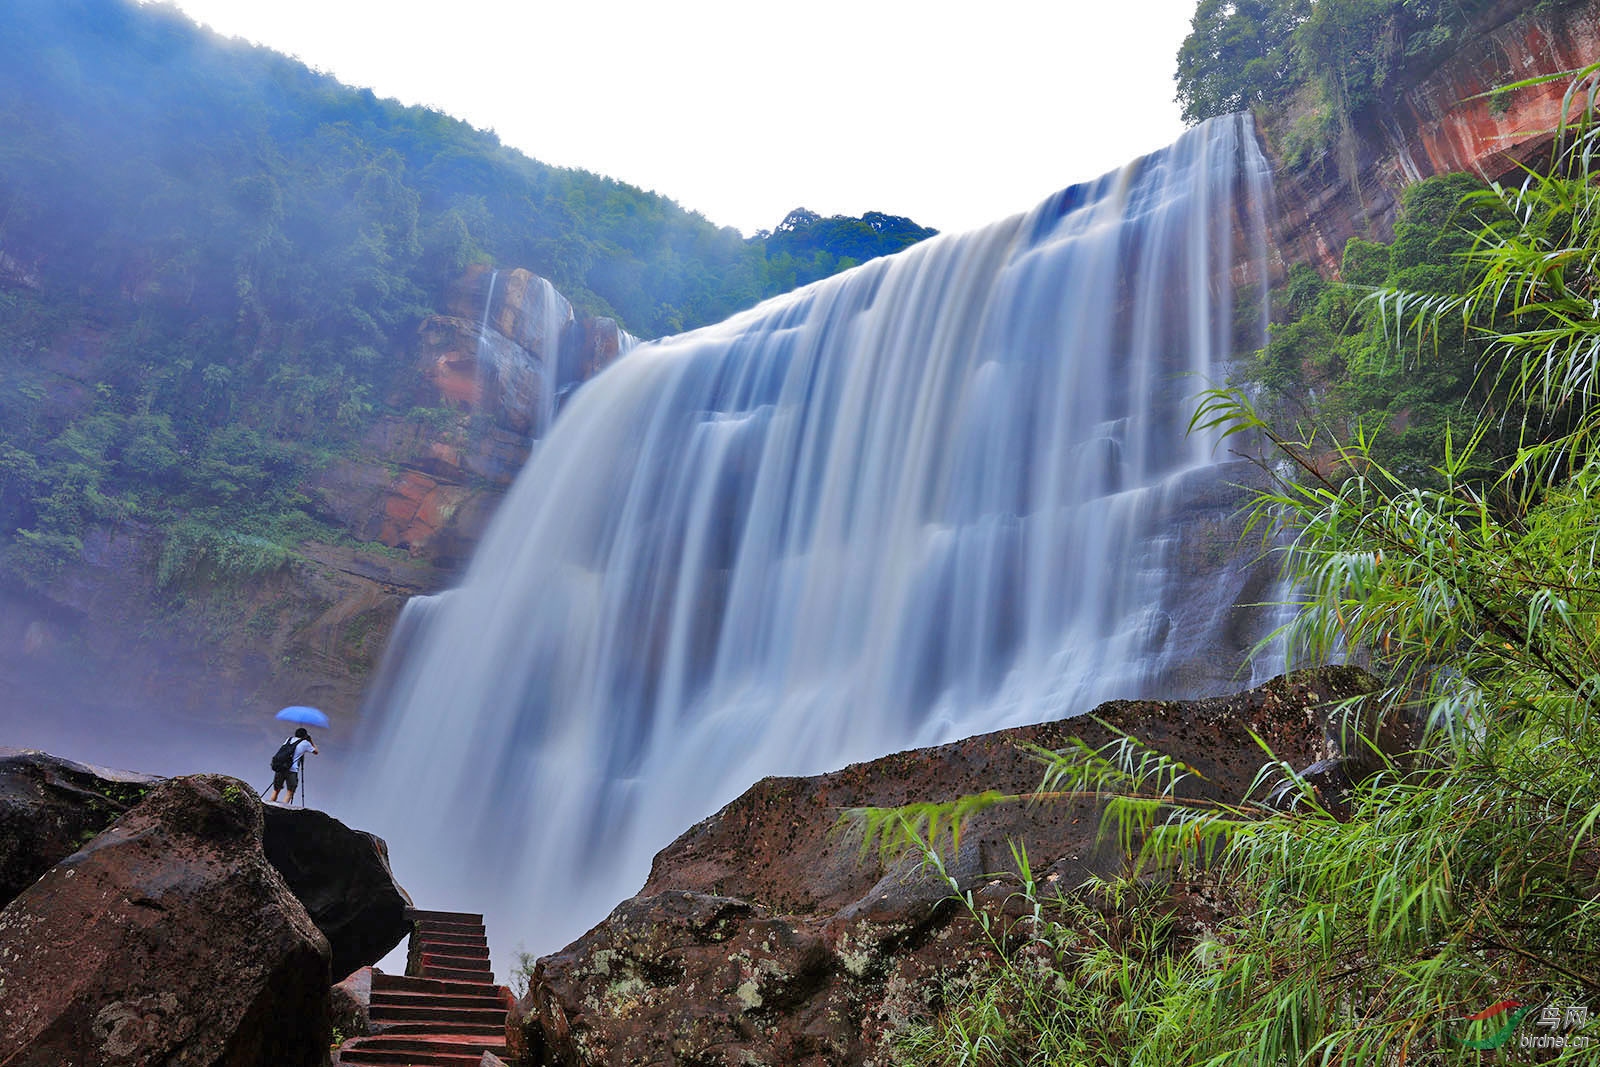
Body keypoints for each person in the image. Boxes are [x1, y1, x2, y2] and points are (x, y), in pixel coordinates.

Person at [268, 727, 318, 805]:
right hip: (292, 770)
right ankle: (282, 809)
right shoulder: (306, 743)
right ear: (305, 736)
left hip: (281, 767)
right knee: (290, 792)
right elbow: (316, 752)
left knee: (276, 790)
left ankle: (269, 805)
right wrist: (310, 741)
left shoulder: (289, 739)